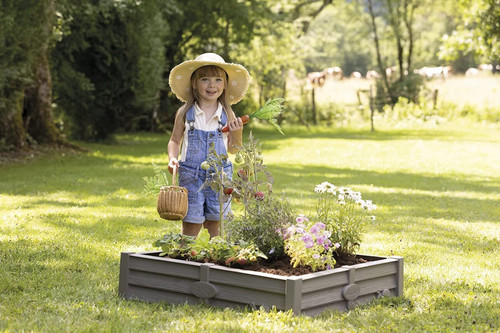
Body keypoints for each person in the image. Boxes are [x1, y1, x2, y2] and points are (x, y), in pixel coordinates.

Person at [167, 53, 250, 238]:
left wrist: (237, 132)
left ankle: (215, 261)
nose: (212, 85)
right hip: (191, 177)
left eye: (218, 79)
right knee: (191, 225)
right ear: (195, 83)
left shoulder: (227, 114)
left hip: (220, 178)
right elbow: (174, 140)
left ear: (225, 85)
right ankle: (187, 258)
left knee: (217, 225)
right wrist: (172, 158)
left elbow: (233, 149)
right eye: (205, 79)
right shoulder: (185, 113)